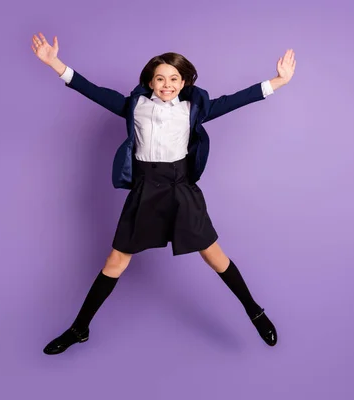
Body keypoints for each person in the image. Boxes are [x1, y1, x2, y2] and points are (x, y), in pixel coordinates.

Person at [31, 32, 296, 355]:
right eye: (160, 78)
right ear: (150, 81)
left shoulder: (193, 109)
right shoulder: (135, 106)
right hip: (145, 189)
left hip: (180, 188)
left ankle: (255, 312)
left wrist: (278, 81)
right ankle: (79, 328)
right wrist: (54, 63)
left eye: (174, 78)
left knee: (214, 255)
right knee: (116, 260)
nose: (167, 84)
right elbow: (93, 91)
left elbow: (235, 100)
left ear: (184, 82)